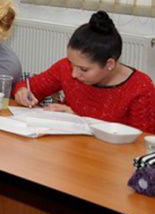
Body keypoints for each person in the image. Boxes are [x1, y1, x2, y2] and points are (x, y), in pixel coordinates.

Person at [14, 11, 154, 133]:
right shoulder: (65, 68)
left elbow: (143, 143)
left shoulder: (140, 88)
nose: (74, 74)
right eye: (71, 63)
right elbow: (27, 86)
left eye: (84, 69)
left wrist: (79, 121)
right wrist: (22, 92)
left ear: (109, 64)